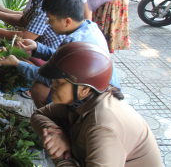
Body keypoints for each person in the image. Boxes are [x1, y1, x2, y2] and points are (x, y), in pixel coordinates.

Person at [30, 42, 162, 166]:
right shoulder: (80, 101)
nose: (53, 84)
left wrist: (60, 157)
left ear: (84, 90)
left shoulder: (103, 127)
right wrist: (56, 133)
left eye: (61, 82)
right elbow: (39, 115)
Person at [0, 0, 121, 108]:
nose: (48, 23)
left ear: (67, 22)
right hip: (104, 91)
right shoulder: (90, 26)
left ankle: (59, 123)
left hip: (97, 100)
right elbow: (64, 58)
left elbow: (51, 80)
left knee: (39, 89)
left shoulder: (74, 42)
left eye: (50, 19)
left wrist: (17, 64)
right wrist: (37, 47)